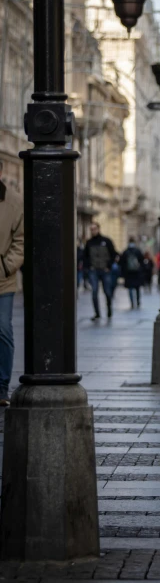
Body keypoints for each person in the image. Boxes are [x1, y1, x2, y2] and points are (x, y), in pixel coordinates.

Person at [0, 160, 24, 407]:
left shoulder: (14, 201)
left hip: (2, 280)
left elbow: (21, 240)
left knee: (3, 330)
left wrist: (6, 266)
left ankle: (1, 387)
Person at [84, 222, 117, 321]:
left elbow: (113, 254)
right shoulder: (89, 242)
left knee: (107, 291)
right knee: (94, 292)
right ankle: (97, 313)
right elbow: (85, 256)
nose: (93, 231)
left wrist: (109, 266)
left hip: (105, 270)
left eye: (94, 229)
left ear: (98, 229)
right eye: (91, 229)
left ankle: (109, 309)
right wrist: (89, 267)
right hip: (93, 270)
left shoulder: (106, 241)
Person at [120, 238, 144, 309]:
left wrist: (123, 273)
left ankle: (132, 303)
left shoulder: (126, 251)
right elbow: (142, 261)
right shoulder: (138, 251)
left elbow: (122, 263)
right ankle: (138, 302)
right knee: (137, 288)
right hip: (137, 273)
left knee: (130, 289)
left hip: (128, 273)